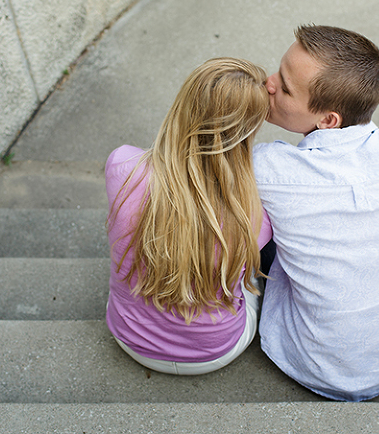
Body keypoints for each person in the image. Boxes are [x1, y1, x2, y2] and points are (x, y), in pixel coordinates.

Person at [254, 25, 379, 401]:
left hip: (313, 363)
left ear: (328, 120)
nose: (268, 83)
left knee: (255, 226)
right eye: (278, 70)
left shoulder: (269, 169)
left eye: (286, 88)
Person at [105, 57, 272, 375]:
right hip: (216, 351)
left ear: (183, 106)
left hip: (130, 339)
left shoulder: (121, 166)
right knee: (250, 269)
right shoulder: (255, 212)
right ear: (248, 131)